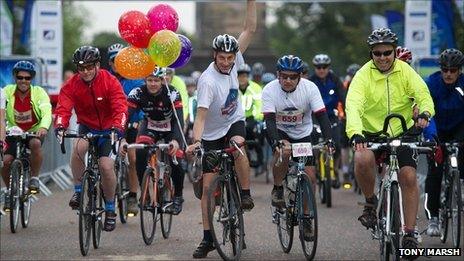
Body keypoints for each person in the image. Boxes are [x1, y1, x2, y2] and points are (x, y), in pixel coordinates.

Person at [345, 28, 435, 252]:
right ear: (371, 54)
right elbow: (353, 105)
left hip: (401, 132)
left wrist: (424, 113)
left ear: (395, 52)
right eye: (378, 53)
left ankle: (410, 233)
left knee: (408, 176)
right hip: (371, 132)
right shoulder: (363, 75)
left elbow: (423, 94)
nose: (383, 57)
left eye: (387, 52)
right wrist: (356, 133)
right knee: (362, 158)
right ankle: (369, 202)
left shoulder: (405, 71)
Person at [185, 0, 256, 258]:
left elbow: (249, 29)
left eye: (230, 57)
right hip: (211, 132)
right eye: (222, 57)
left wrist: (251, 2)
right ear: (214, 55)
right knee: (206, 189)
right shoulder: (207, 81)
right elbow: (200, 117)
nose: (227, 62)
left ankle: (245, 194)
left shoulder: (236, 59)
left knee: (238, 145)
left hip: (233, 120)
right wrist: (196, 142)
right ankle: (207, 238)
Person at [54, 46, 128, 232]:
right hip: (87, 125)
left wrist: (118, 128)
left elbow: (120, 106)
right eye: (81, 68)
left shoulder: (109, 81)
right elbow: (63, 108)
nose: (85, 72)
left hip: (110, 128)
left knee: (105, 166)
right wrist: (60, 126)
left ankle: (110, 208)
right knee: (78, 149)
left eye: (89, 67)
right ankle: (78, 192)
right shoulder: (72, 84)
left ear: (97, 65)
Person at [262, 54, 334, 207]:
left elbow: (322, 116)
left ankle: (307, 217)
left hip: (302, 134)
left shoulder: (310, 88)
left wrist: (329, 139)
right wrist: (276, 141)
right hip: (279, 129)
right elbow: (269, 120)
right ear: (278, 75)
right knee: (285, 151)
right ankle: (278, 187)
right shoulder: (269, 89)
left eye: (293, 77)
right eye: (284, 76)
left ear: (300, 76)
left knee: (310, 177)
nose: (288, 80)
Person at [119, 68, 185, 215]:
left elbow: (179, 120)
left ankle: (178, 197)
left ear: (162, 81)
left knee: (176, 160)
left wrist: (175, 140)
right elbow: (125, 117)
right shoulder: (137, 93)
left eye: (156, 80)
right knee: (140, 153)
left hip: (171, 127)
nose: (153, 84)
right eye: (150, 80)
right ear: (145, 80)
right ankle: (145, 192)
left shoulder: (172, 93)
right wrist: (122, 138)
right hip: (150, 126)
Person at [423, 48, 464, 237]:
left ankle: (459, 187)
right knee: (435, 173)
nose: (448, 74)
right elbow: (426, 112)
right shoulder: (431, 83)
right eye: (445, 70)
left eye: (453, 70)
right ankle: (433, 217)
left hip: (458, 129)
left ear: (459, 71)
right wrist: (432, 139)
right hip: (437, 129)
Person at [2, 61, 52, 211]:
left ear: (32, 79)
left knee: (35, 144)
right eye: (20, 77)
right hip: (13, 131)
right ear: (15, 78)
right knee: (5, 161)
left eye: (27, 78)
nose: (23, 81)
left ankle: (34, 178)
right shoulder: (7, 91)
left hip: (34, 130)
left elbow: (46, 111)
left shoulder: (39, 92)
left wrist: (43, 127)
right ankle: (10, 190)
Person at [107, 43, 145, 215]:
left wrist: (138, 121)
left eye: (120, 60)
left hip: (132, 123)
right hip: (111, 124)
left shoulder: (135, 80)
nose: (117, 63)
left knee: (133, 158)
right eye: (114, 61)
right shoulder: (106, 78)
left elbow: (143, 104)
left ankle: (132, 195)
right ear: (110, 63)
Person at [309, 53, 346, 188]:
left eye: (324, 67)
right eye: (318, 67)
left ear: (328, 67)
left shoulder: (335, 80)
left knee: (336, 143)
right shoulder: (310, 81)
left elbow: (343, 97)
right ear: (315, 68)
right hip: (315, 116)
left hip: (331, 115)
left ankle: (335, 169)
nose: (321, 70)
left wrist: (347, 111)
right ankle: (316, 168)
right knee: (314, 143)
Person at [237, 63, 264, 168]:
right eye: (239, 76)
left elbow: (259, 105)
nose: (242, 78)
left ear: (248, 76)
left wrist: (258, 117)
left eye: (244, 76)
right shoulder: (232, 87)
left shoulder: (256, 88)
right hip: (236, 118)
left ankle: (255, 152)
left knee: (251, 129)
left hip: (251, 117)